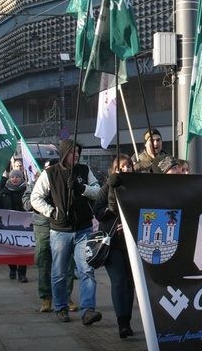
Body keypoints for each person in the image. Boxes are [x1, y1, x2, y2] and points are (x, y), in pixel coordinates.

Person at [30, 139, 102, 325]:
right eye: (72, 152)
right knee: (60, 272)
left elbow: (98, 191)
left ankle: (87, 310)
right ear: (64, 154)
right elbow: (35, 198)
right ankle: (61, 307)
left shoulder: (84, 171)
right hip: (60, 231)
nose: (76, 155)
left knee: (86, 269)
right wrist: (52, 212)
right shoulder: (50, 173)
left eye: (78, 151)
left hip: (83, 229)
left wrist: (81, 188)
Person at [94, 155, 136, 338]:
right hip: (113, 242)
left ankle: (128, 319)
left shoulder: (137, 186)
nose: (126, 169)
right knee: (119, 281)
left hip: (131, 243)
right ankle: (122, 323)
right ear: (114, 170)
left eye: (128, 166)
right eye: (121, 167)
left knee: (131, 283)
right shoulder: (106, 188)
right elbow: (99, 213)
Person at [24, 162, 53, 313]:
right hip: (42, 226)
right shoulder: (35, 184)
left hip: (60, 226)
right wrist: (39, 198)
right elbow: (26, 203)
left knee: (65, 264)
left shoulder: (60, 182)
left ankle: (65, 296)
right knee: (43, 261)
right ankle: (46, 296)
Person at [0, 168, 29, 283]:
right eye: (12, 177)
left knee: (23, 250)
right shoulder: (3, 192)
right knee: (10, 249)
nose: (14, 179)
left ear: (21, 178)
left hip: (23, 226)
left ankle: (22, 274)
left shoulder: (26, 191)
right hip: (8, 225)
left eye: (17, 177)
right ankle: (12, 268)